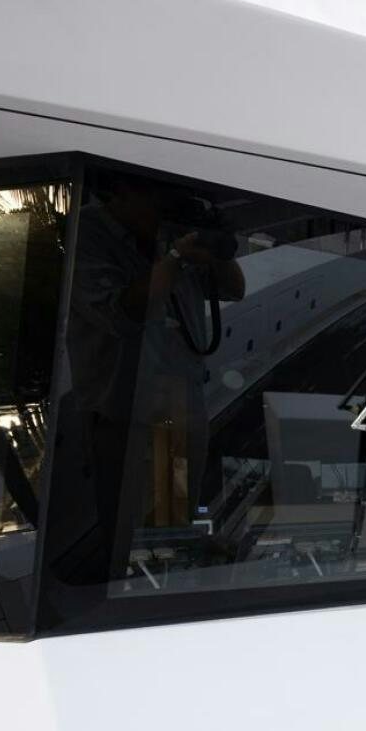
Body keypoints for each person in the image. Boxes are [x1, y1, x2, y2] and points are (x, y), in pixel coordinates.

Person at [54, 171, 244, 586]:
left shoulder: (172, 231)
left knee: (177, 495)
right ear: (117, 192)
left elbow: (235, 289)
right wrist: (174, 259)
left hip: (179, 393)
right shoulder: (88, 236)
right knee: (128, 514)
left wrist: (217, 247)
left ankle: (177, 551)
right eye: (157, 199)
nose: (163, 211)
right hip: (123, 403)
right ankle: (134, 589)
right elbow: (123, 315)